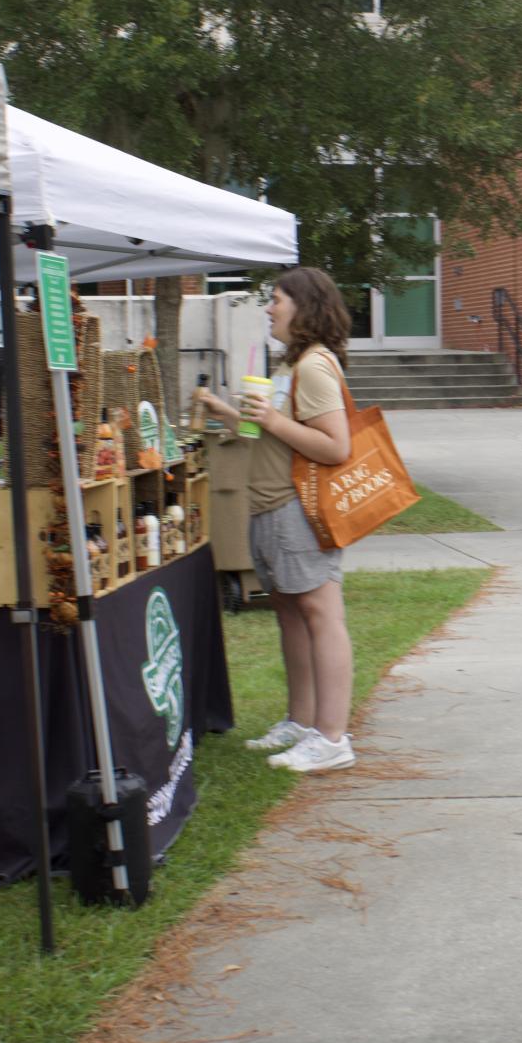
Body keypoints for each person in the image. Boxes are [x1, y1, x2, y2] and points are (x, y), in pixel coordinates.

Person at [195, 268, 357, 773]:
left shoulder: (314, 367)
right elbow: (265, 433)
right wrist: (225, 411)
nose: (269, 309)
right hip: (269, 505)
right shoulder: (291, 366)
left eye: (278, 300)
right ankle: (302, 722)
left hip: (298, 508)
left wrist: (273, 419)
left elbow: (337, 446)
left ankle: (332, 737)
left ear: (304, 307)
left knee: (320, 614)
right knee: (290, 613)